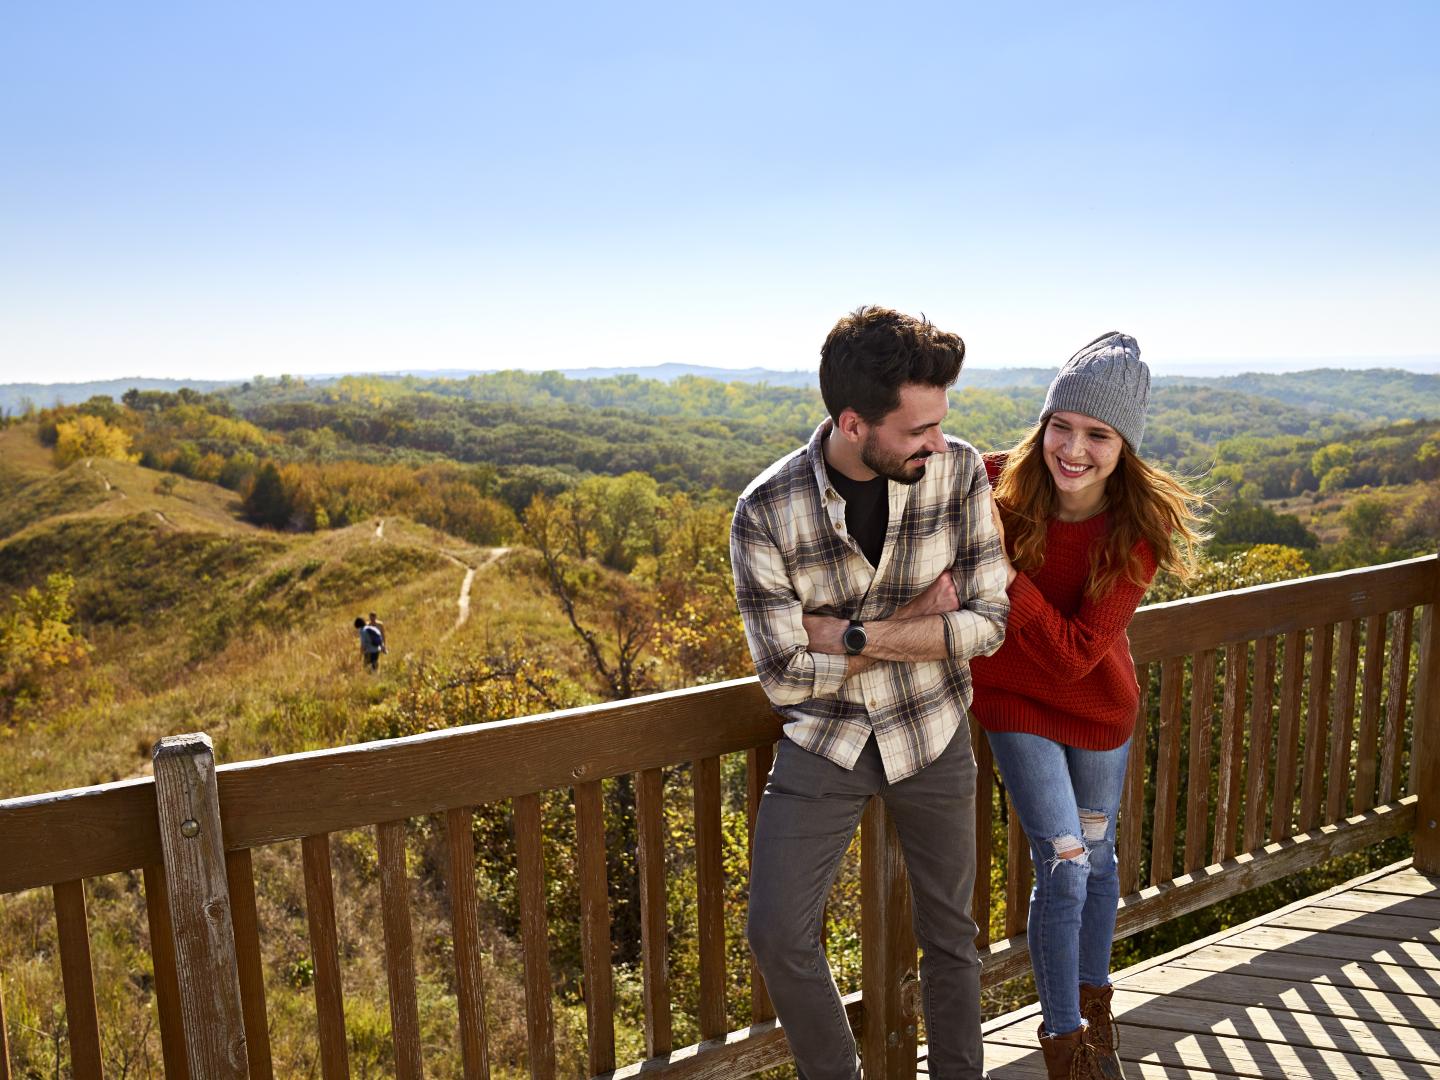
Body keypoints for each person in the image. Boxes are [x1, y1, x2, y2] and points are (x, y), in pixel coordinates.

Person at [730, 305, 1010, 1080]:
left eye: (941, 422)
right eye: (918, 429)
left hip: (932, 728)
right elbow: (785, 674)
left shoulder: (957, 473)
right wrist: (921, 619)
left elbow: (988, 622)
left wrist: (853, 636)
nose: (939, 442)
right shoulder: (765, 511)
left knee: (952, 935)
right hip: (828, 740)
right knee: (778, 931)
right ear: (853, 423)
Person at [968, 332, 1205, 1080]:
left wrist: (1006, 578)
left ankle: (1097, 1013)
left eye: (1097, 435)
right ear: (1043, 424)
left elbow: (1076, 654)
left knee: (1098, 859)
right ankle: (1064, 1047)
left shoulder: (1137, 528)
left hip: (1098, 713)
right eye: (1060, 427)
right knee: (1066, 863)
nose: (1072, 449)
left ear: (1124, 445)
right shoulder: (994, 484)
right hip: (1013, 702)